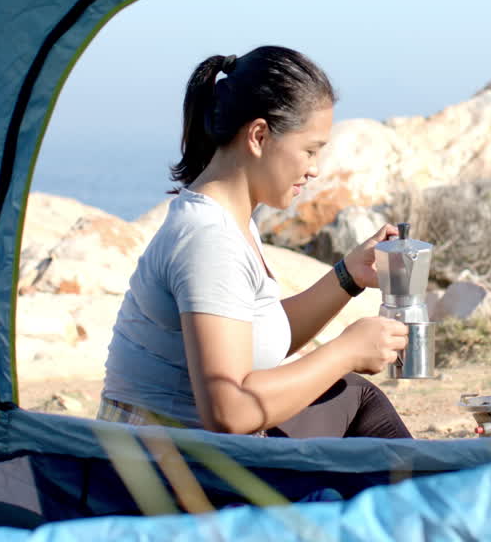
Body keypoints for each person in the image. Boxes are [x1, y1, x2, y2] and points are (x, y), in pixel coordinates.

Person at [99, 46, 412, 439]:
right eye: (309, 151)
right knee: (351, 395)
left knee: (351, 395)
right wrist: (345, 351)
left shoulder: (228, 219)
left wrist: (348, 276)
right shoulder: (208, 241)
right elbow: (228, 411)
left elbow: (257, 334)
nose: (314, 169)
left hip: (193, 448)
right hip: (165, 463)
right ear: (259, 136)